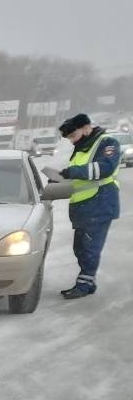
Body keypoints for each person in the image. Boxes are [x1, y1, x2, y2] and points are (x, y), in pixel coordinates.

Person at [50, 112, 120, 300]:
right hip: (83, 207)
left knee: (90, 248)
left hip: (100, 203)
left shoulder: (107, 142)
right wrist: (58, 180)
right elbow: (77, 178)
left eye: (73, 136)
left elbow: (104, 168)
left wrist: (70, 172)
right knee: (80, 248)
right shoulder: (81, 147)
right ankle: (88, 282)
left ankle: (83, 284)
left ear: (86, 128)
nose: (72, 141)